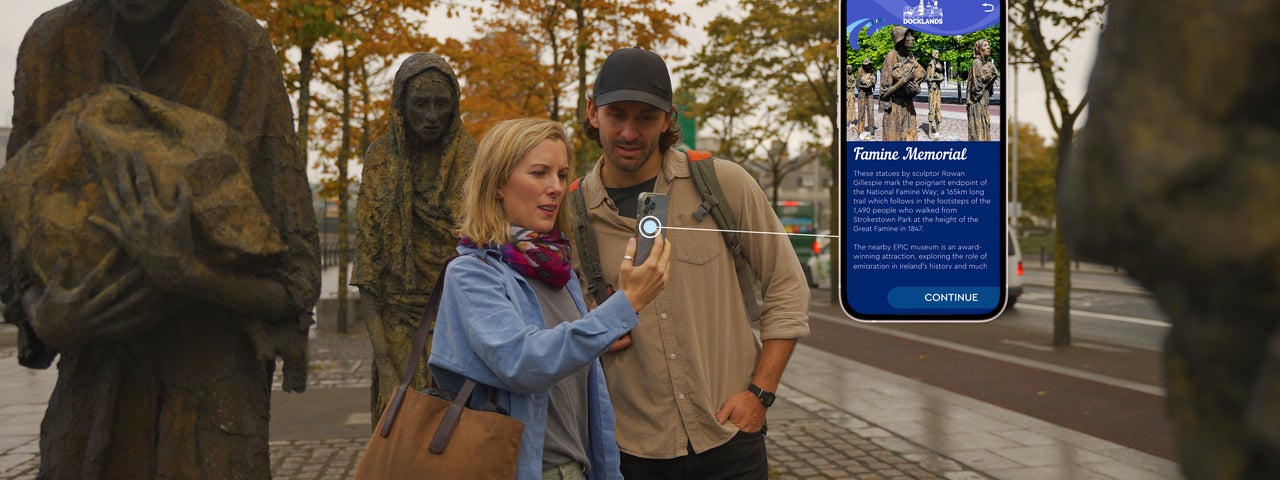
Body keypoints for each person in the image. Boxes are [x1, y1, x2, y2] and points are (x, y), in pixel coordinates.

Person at [1, 0, 319, 477]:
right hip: (91, 405)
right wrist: (40, 315)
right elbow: (15, 229)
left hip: (211, 399)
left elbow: (293, 286)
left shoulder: (240, 45)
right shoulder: (52, 45)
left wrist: (191, 275)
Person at [577, 47, 811, 479]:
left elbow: (786, 284)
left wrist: (761, 393)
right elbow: (548, 325)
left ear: (668, 119)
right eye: (617, 115)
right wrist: (590, 328)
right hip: (628, 450)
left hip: (728, 437)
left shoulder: (724, 184)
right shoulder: (571, 214)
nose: (629, 132)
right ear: (593, 112)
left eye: (646, 116)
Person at [429, 118, 672, 480]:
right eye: (539, 173)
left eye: (561, 175)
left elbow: (584, 393)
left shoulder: (556, 269)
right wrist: (625, 305)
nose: (556, 188)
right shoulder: (473, 272)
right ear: (497, 184)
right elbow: (524, 364)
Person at [351, 52, 477, 424]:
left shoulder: (471, 159)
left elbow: (486, 251)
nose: (431, 115)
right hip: (396, 329)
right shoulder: (380, 160)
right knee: (398, 442)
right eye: (421, 103)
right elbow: (367, 268)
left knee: (457, 443)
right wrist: (384, 359)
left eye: (441, 103)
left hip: (459, 325)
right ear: (401, 104)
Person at [880, 26, 925, 141]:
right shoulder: (891, 57)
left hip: (908, 107)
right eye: (909, 35)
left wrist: (916, 90)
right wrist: (902, 81)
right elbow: (884, 95)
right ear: (900, 39)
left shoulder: (911, 57)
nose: (913, 38)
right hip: (894, 109)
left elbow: (916, 82)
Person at [966, 39, 999, 141]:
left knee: (984, 126)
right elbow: (977, 87)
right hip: (976, 103)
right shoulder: (977, 62)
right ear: (979, 49)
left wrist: (992, 77)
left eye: (989, 45)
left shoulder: (985, 62)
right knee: (978, 129)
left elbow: (986, 86)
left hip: (983, 101)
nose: (988, 47)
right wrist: (990, 75)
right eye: (985, 45)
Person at [855, 58, 878, 137]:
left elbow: (875, 80)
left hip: (870, 92)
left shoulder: (872, 70)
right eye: (866, 65)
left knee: (871, 111)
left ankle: (871, 129)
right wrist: (863, 86)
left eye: (868, 64)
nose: (867, 66)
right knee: (861, 111)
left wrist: (872, 84)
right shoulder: (860, 70)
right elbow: (857, 84)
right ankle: (860, 130)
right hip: (862, 92)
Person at [926, 49, 945, 136]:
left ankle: (937, 130)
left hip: (938, 89)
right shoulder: (930, 65)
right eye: (936, 53)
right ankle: (930, 132)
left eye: (938, 53)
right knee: (932, 108)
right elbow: (928, 79)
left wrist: (941, 78)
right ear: (933, 55)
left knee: (938, 108)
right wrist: (937, 79)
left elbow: (941, 75)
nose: (938, 54)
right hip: (932, 89)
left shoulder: (939, 64)